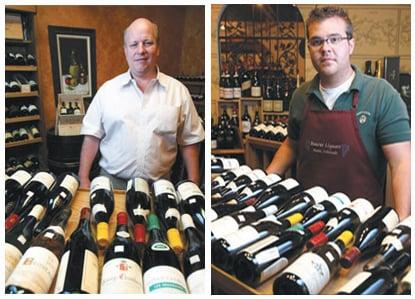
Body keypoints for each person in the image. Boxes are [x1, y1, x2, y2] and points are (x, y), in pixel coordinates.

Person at [266, 6, 410, 218]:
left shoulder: (381, 95)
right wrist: (266, 180)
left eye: (334, 39)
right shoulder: (300, 96)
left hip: (361, 221)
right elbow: (292, 144)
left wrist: (404, 225)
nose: (326, 48)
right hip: (306, 215)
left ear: (350, 44)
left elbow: (402, 162)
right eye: (317, 41)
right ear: (309, 48)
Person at [78, 18, 204, 189]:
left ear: (158, 48)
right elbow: (92, 137)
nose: (141, 50)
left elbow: (190, 140)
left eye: (148, 43)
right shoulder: (107, 91)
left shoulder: (178, 91)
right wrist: (83, 178)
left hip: (159, 188)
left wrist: (194, 184)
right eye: (134, 44)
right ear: (125, 50)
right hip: (112, 185)